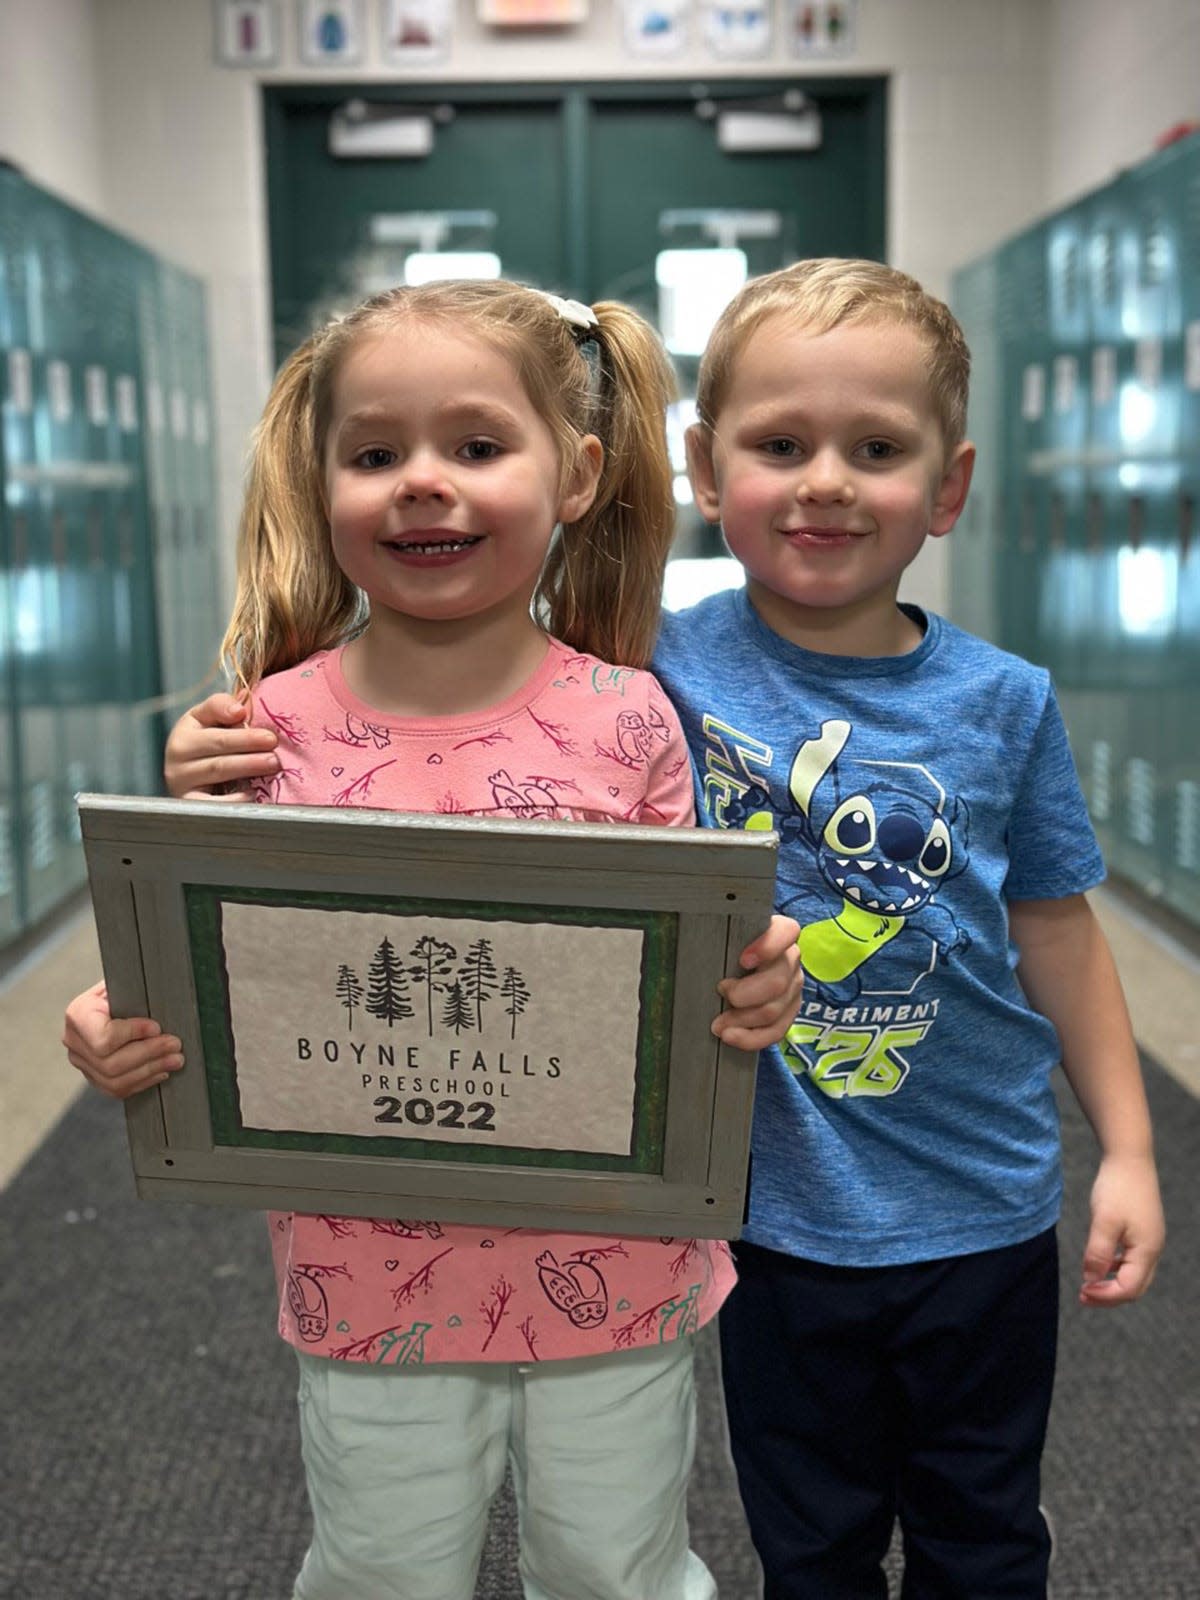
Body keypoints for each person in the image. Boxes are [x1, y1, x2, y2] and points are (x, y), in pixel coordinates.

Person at [84, 258, 1167, 1598]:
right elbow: (270, 903)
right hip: (725, 1213)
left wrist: (1125, 1143)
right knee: (786, 1537)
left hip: (944, 1203)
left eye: (874, 449)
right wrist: (183, 815)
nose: (824, 480)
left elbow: (1050, 924)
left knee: (967, 1526)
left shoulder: (793, 698)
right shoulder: (655, 670)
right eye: (781, 445)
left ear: (949, 485)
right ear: (710, 471)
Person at [63, 278, 804, 1600]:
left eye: (474, 447)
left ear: (573, 475)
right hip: (370, 1272)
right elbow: (219, 959)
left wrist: (754, 993)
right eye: (373, 453)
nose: (420, 484)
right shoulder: (262, 734)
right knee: (382, 1569)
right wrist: (111, 1017)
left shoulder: (629, 722)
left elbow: (686, 979)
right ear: (321, 479)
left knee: (615, 1568)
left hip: (612, 1260)